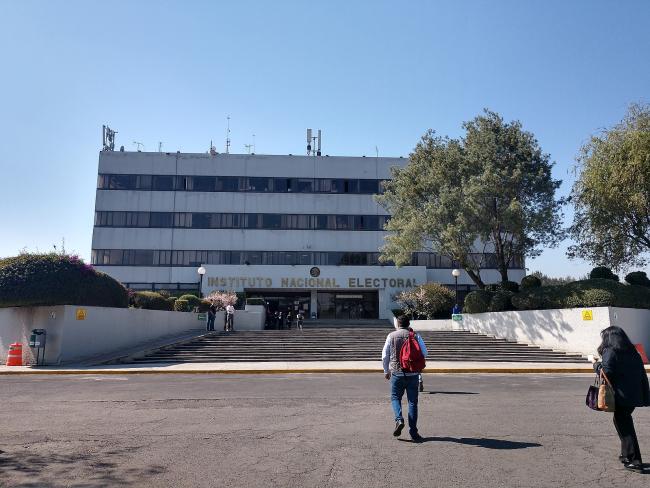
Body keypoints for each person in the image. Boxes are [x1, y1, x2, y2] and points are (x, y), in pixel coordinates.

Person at [593, 326, 650, 472]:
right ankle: (626, 455)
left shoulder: (610, 351)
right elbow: (642, 375)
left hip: (620, 396)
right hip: (634, 395)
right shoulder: (633, 352)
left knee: (625, 425)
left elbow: (606, 372)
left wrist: (596, 365)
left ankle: (634, 460)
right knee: (621, 421)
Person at [382, 315, 428, 442]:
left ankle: (399, 419)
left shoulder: (391, 336)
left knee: (395, 397)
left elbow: (385, 355)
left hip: (397, 372)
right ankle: (413, 432)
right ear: (409, 324)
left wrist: (386, 371)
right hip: (413, 373)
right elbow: (425, 353)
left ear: (397, 324)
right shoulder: (415, 335)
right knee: (413, 402)